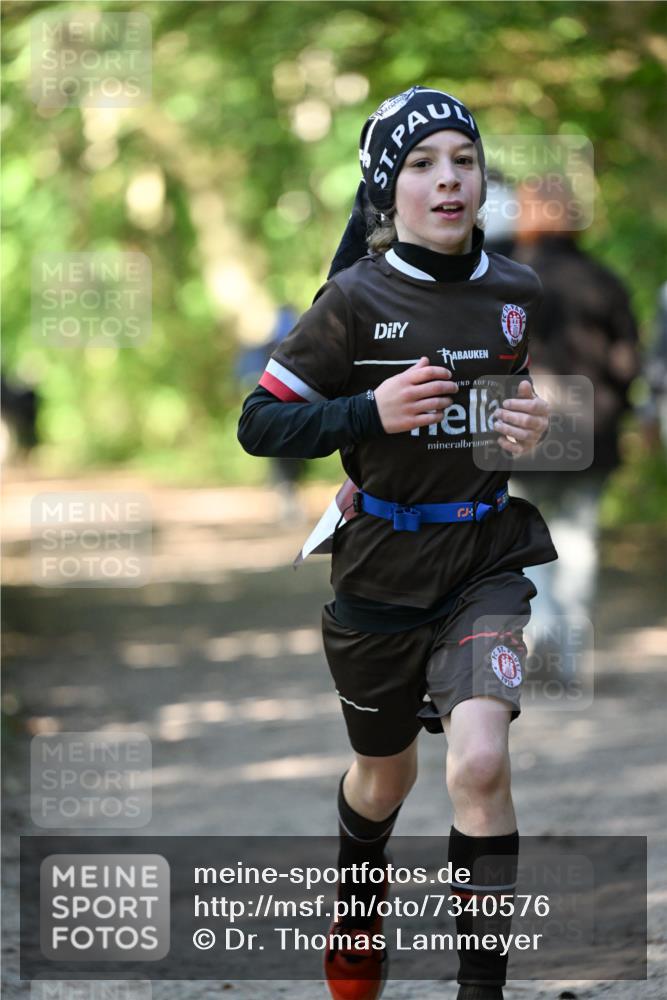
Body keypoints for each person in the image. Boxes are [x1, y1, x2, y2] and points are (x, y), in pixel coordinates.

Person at [238, 86, 557, 1000]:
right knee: (382, 781)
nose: (447, 180)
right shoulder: (349, 302)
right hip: (379, 567)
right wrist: (364, 411)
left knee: (481, 763)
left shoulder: (515, 290)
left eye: (463, 161)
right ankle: (356, 891)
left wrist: (527, 429)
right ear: (388, 189)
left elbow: (512, 410)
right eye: (421, 165)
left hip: (484, 562)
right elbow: (259, 425)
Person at [509, 177, 640, 679]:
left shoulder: (509, 279)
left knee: (527, 536)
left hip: (523, 432)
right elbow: (626, 362)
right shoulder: (604, 280)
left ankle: (540, 633)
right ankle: (569, 654)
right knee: (578, 540)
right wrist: (623, 413)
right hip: (592, 430)